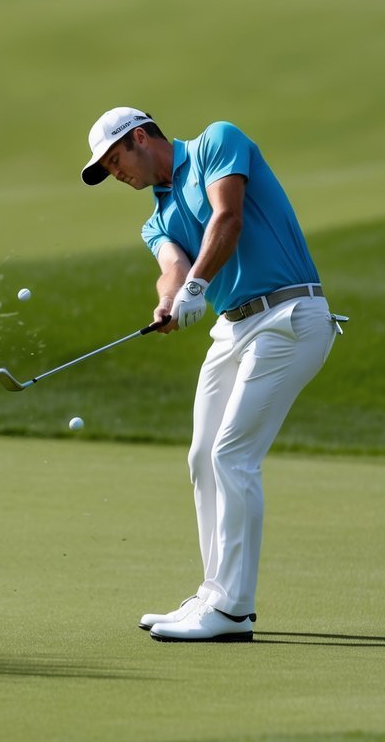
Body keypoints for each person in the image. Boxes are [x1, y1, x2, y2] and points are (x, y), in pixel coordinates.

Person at [80, 107, 344, 642]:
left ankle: (232, 609)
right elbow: (171, 270)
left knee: (232, 454)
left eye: (114, 161)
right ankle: (214, 591)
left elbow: (228, 217)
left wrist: (196, 288)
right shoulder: (156, 218)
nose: (117, 175)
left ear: (139, 138)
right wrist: (169, 302)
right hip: (234, 329)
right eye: (107, 170)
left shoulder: (216, 143)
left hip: (287, 317)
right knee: (203, 454)